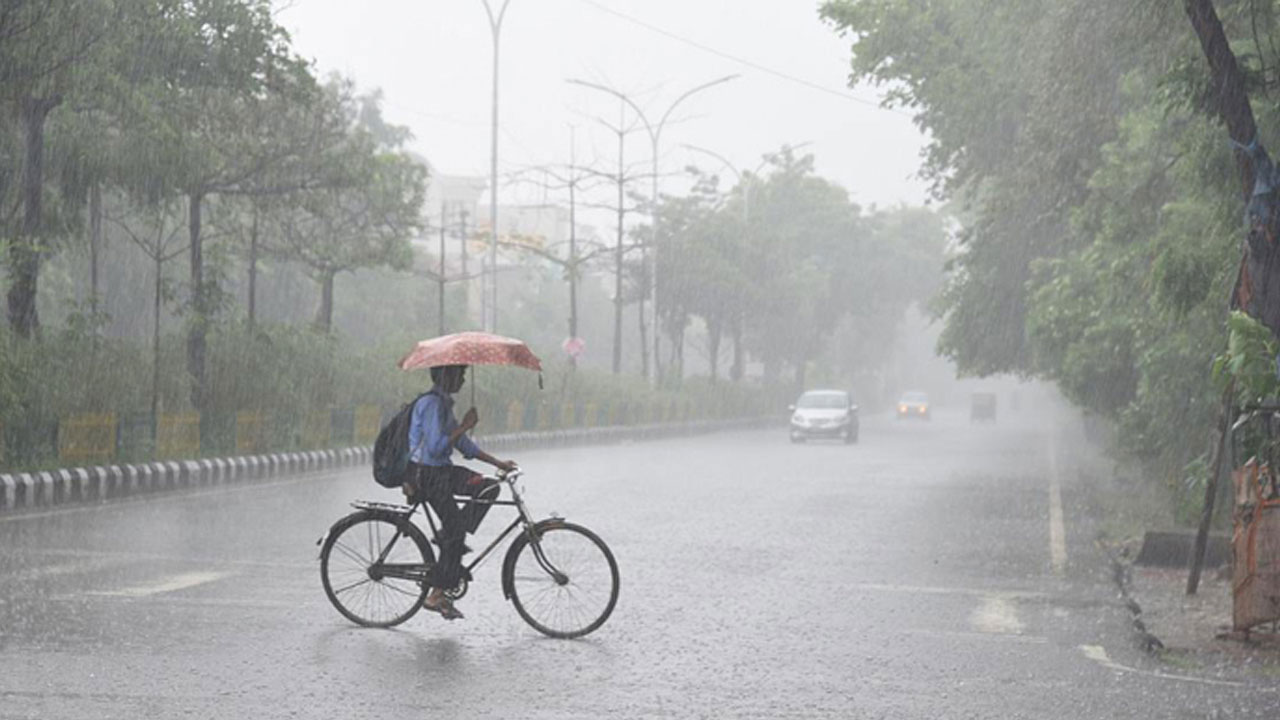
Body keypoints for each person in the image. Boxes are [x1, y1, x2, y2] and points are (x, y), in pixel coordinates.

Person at [404, 364, 516, 620]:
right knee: (456, 531)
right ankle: (437, 593)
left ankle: (450, 539)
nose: (464, 380)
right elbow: (435, 447)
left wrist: (497, 463)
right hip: (427, 474)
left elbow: (463, 445)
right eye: (460, 375)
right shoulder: (432, 405)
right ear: (446, 376)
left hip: (442, 471)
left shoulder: (443, 404)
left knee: (488, 486)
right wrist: (464, 425)